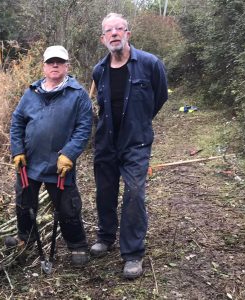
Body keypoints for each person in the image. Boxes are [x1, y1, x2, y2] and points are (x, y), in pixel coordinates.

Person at [90, 13, 168, 278]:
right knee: (104, 192)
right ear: (103, 39)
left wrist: (139, 121)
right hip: (106, 142)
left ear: (128, 34)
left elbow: (159, 97)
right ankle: (106, 235)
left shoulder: (149, 64)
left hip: (136, 141)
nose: (114, 34)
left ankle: (133, 253)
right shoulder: (98, 70)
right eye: (109, 31)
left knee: (134, 194)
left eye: (119, 29)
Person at [8, 45, 93, 266]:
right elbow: (17, 122)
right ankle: (24, 240)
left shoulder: (78, 95)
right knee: (24, 203)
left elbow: (84, 129)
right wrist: (17, 150)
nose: (55, 65)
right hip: (30, 164)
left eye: (59, 61)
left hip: (60, 166)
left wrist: (70, 154)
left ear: (67, 65)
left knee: (68, 207)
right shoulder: (31, 92)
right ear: (44, 66)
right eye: (50, 62)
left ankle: (77, 246)